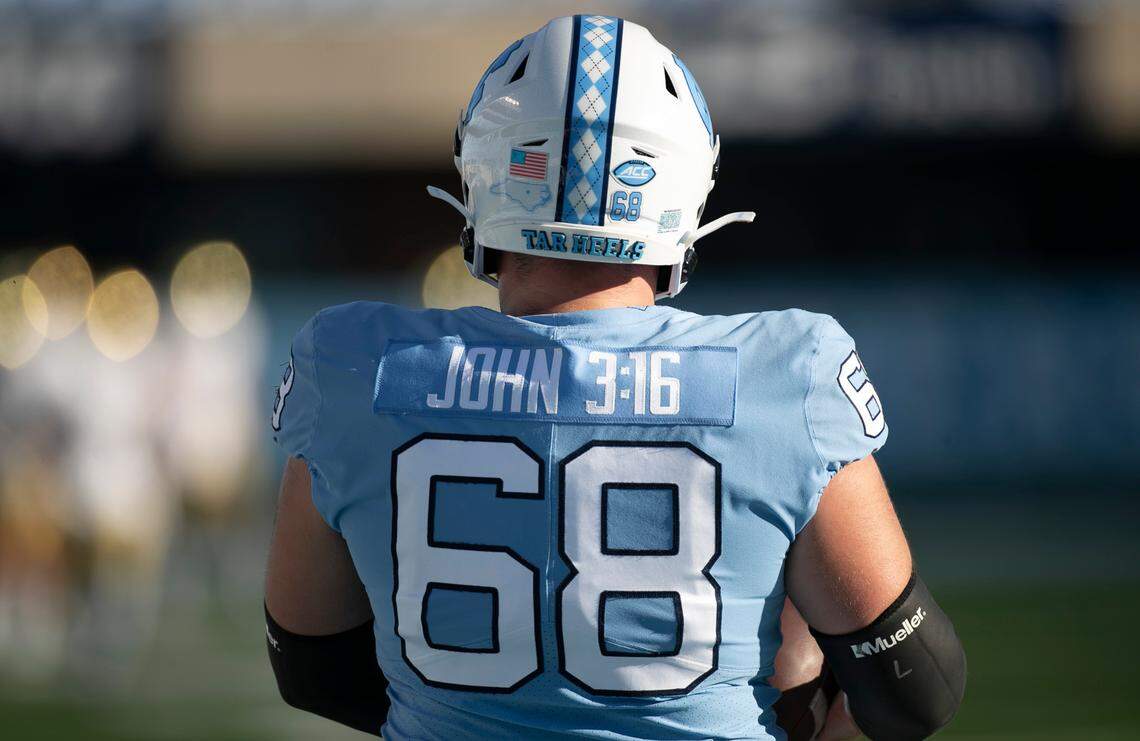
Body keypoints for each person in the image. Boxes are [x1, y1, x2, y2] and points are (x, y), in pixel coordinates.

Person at [265, 15, 965, 740]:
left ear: (484, 173)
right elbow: (915, 686)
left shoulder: (356, 364)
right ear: (683, 189)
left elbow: (312, 665)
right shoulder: (786, 373)